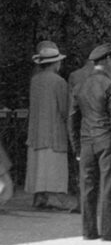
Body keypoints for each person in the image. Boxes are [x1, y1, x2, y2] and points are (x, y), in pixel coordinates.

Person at [69, 42, 111, 241]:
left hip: (87, 141)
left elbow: (73, 119)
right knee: (110, 185)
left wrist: (76, 147)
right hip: (106, 140)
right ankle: (109, 232)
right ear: (108, 60)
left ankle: (89, 231)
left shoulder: (79, 86)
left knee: (88, 187)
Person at [26, 41, 74, 211]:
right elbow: (64, 108)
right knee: (53, 165)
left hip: (36, 131)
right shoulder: (59, 82)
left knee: (38, 165)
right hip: (54, 130)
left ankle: (40, 197)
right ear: (55, 63)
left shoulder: (35, 80)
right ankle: (53, 198)